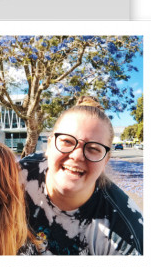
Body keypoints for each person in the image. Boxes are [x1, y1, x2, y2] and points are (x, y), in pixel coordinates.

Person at [20, 96, 143, 255]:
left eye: (93, 148)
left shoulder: (125, 233)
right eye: (67, 141)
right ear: (49, 145)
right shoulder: (17, 175)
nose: (77, 156)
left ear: (106, 160)